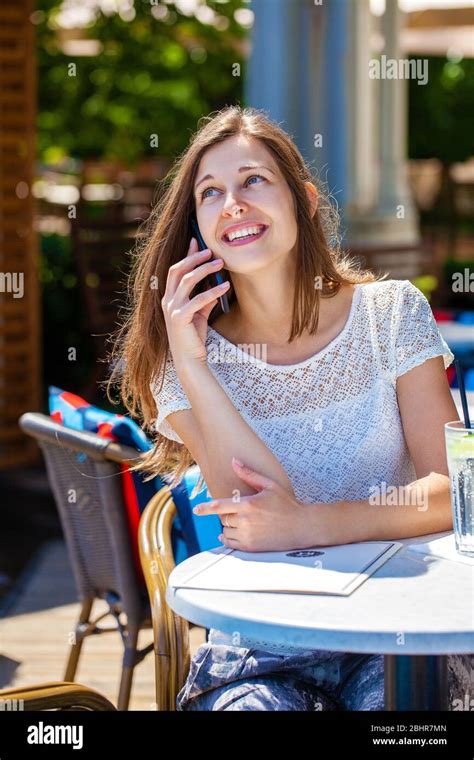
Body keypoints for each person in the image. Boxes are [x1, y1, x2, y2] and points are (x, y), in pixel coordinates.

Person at [106, 105, 473, 711]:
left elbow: (454, 490)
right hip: (262, 645)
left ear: (303, 199)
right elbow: (253, 513)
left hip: (397, 632)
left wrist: (312, 524)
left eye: (253, 181)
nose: (233, 204)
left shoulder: (390, 314)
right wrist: (195, 365)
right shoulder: (182, 360)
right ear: (197, 226)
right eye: (211, 192)